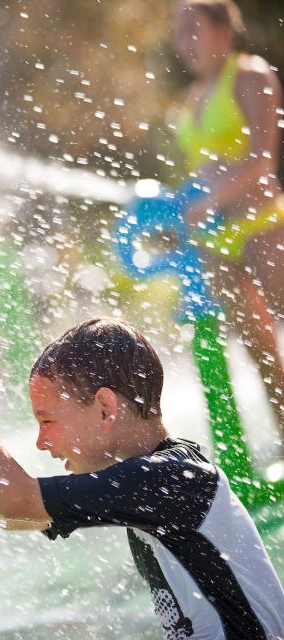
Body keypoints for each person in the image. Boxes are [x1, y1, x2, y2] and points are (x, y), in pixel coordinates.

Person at [0, 311, 284, 639]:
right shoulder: (154, 481)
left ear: (106, 408)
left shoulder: (170, 480)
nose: (41, 442)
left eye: (47, 420)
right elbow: (11, 514)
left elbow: (16, 500)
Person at [173, 0, 284, 440]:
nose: (186, 42)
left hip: (262, 224)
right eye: (180, 33)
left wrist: (212, 199)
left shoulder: (251, 76)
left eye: (193, 28)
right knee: (260, 353)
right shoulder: (192, 97)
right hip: (216, 241)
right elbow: (198, 169)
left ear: (223, 29)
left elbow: (262, 160)